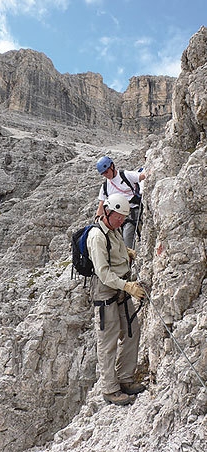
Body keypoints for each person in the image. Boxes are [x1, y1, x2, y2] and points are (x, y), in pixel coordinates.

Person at [87, 193, 146, 406]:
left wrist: (125, 253)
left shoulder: (114, 229)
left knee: (132, 331)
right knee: (108, 340)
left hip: (121, 288)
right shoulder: (97, 236)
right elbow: (103, 273)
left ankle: (125, 378)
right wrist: (128, 286)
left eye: (124, 217)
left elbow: (116, 252)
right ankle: (110, 389)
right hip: (105, 292)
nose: (121, 221)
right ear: (108, 212)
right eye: (118, 217)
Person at [95, 156, 146, 249]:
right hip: (116, 216)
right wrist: (97, 219)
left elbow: (142, 176)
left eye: (106, 171)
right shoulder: (105, 187)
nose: (106, 175)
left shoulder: (125, 175)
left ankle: (129, 259)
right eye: (103, 174)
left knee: (127, 237)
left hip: (132, 212)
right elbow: (101, 205)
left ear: (112, 166)